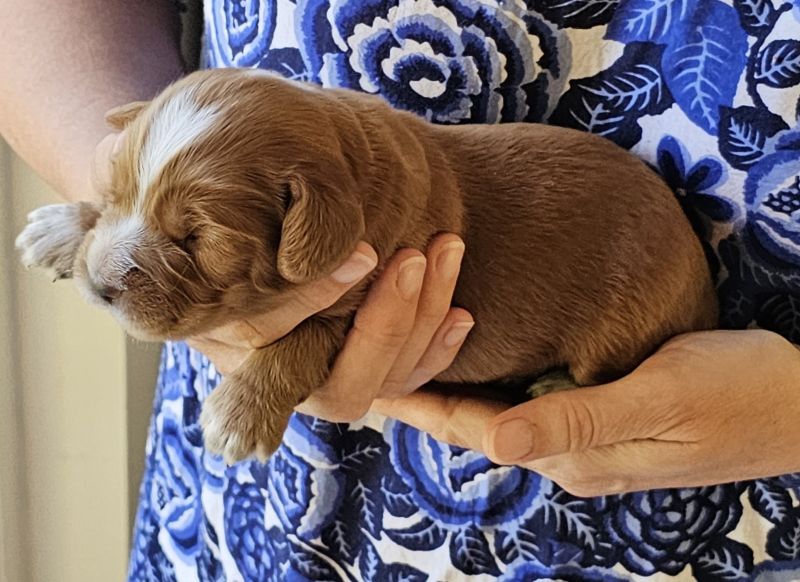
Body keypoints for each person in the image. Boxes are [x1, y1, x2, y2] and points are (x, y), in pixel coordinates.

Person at [2, 1, 800, 580]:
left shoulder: (353, 213)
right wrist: (103, 176)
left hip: (724, 491)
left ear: (310, 222)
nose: (115, 268)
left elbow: (333, 311)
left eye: (192, 237)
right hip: (276, 515)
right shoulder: (290, 172)